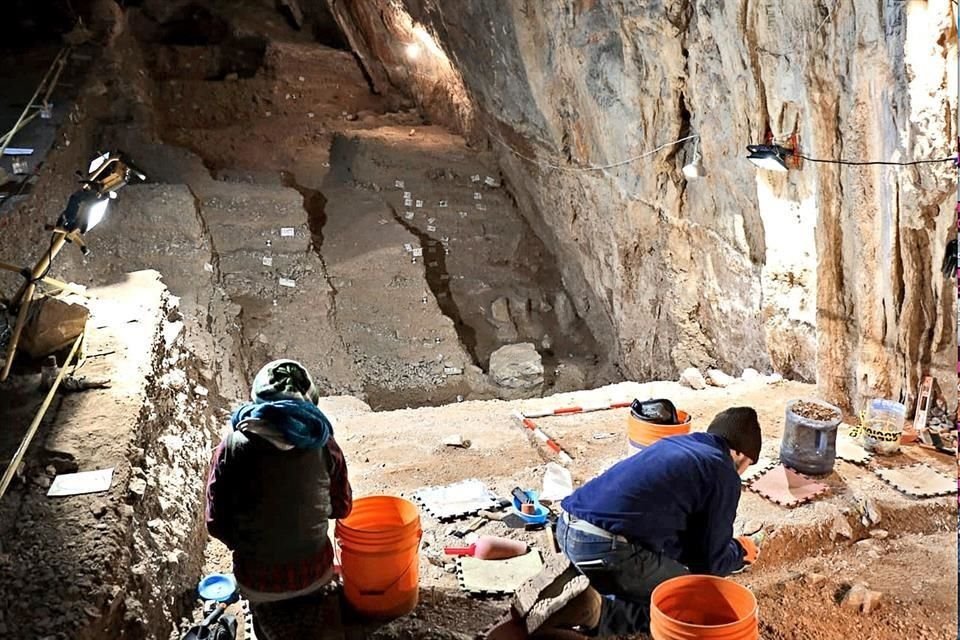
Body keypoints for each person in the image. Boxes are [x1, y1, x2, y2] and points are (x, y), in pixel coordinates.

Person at [488, 406, 764, 639]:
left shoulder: (676, 444)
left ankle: (582, 579)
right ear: (740, 453)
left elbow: (677, 534)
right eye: (748, 463)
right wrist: (739, 552)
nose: (743, 471)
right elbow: (709, 563)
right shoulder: (721, 471)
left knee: (658, 568)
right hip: (602, 547)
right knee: (684, 600)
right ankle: (595, 610)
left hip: (568, 526)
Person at [205, 359, 352, 603]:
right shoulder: (324, 444)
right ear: (310, 402)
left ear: (257, 401)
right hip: (315, 574)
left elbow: (215, 524)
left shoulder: (231, 447)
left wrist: (251, 541)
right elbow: (342, 508)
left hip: (255, 581)